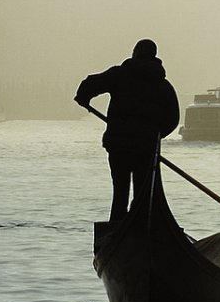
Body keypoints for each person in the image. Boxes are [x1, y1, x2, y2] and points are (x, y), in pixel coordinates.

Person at [75, 39, 181, 222]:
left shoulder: (120, 75)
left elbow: (91, 83)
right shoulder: (163, 86)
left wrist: (83, 97)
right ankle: (138, 228)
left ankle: (117, 227)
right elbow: (173, 119)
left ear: (135, 53)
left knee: (120, 192)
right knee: (142, 193)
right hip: (146, 148)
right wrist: (154, 135)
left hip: (119, 145)